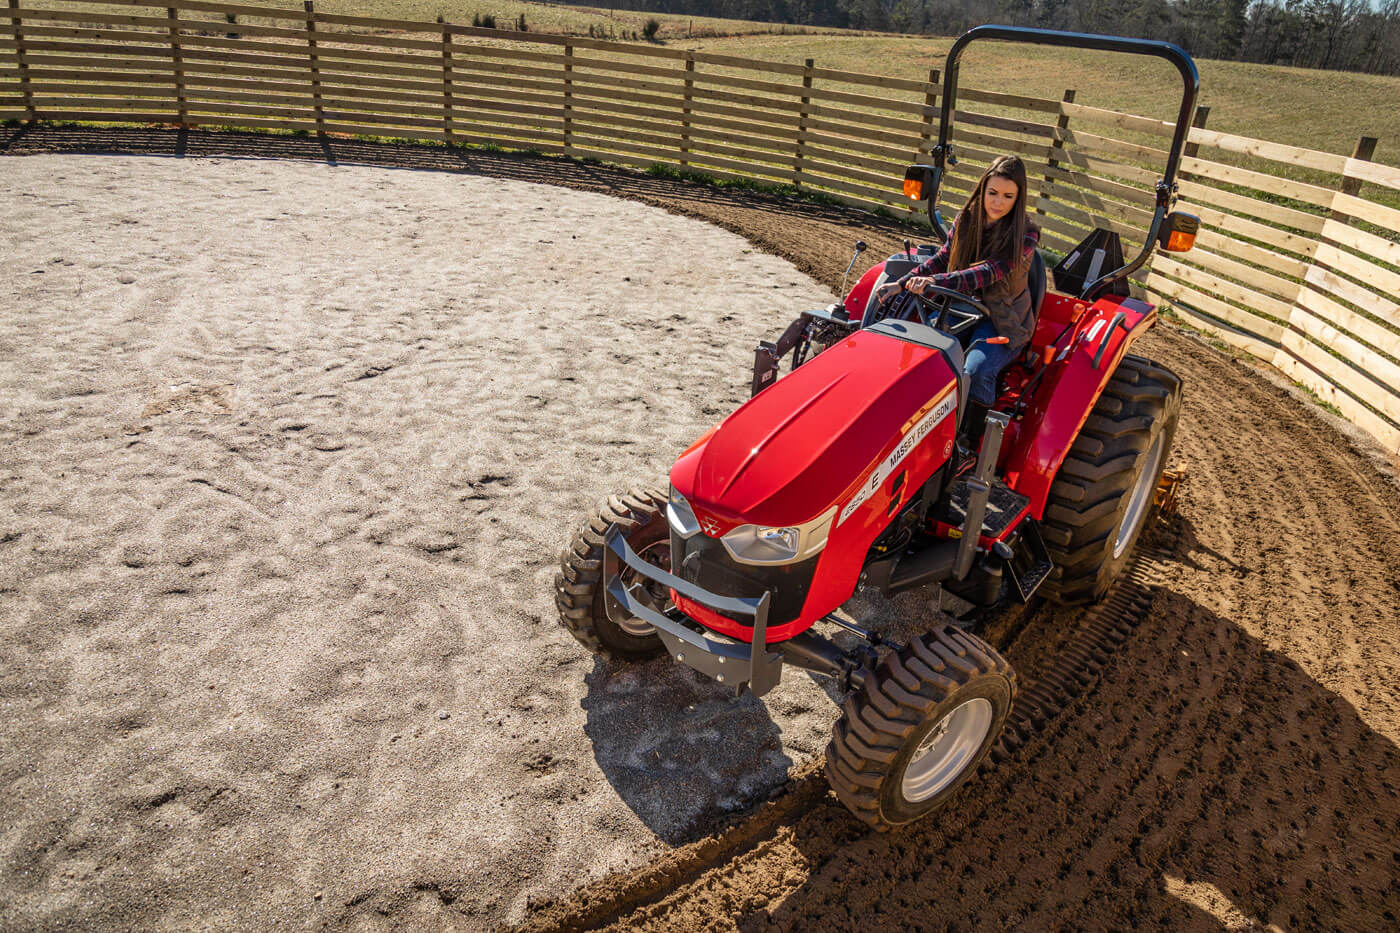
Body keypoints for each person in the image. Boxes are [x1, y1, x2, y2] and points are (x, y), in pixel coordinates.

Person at [875, 155, 1041, 450]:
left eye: (1007, 196)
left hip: (1001, 319)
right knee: (922, 360)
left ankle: (969, 441)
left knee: (976, 369)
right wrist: (901, 284)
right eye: (992, 193)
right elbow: (942, 259)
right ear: (982, 190)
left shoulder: (1026, 234)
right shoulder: (966, 219)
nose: (998, 202)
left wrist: (936, 283)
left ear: (1018, 198)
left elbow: (990, 271)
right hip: (956, 306)